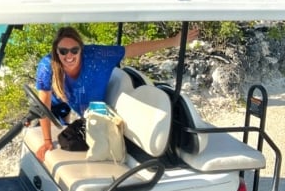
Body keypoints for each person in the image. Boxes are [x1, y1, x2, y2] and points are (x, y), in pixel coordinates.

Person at [35, 25, 199, 160]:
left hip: (92, 111)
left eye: (74, 50)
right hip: (67, 102)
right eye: (63, 51)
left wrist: (174, 41)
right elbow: (45, 103)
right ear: (56, 52)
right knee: (34, 122)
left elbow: (131, 50)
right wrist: (47, 141)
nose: (68, 55)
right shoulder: (47, 65)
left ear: (81, 49)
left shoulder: (97, 56)